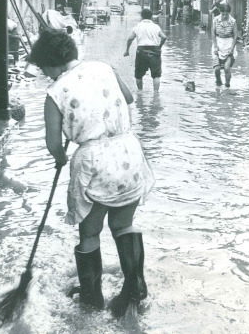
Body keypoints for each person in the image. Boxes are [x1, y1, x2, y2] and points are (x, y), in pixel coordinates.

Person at [27, 28, 155, 318]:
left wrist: (61, 157)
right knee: (123, 224)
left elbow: (52, 144)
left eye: (43, 68)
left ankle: (91, 298)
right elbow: (129, 99)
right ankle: (135, 286)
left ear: (50, 62)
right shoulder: (103, 68)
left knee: (89, 231)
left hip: (94, 162)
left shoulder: (55, 92)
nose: (45, 74)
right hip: (128, 152)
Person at [124, 8, 167, 92]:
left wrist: (127, 50)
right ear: (151, 17)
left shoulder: (138, 26)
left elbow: (130, 39)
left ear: (141, 16)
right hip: (155, 50)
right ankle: (156, 94)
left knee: (139, 75)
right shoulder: (155, 26)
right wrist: (159, 47)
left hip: (141, 51)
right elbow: (164, 37)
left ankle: (140, 93)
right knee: (156, 75)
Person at [211, 2, 238, 87]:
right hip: (218, 43)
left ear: (229, 13)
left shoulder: (233, 21)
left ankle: (227, 85)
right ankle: (218, 82)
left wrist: (232, 48)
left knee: (227, 68)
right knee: (217, 69)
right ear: (220, 12)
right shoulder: (216, 20)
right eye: (223, 14)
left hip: (229, 44)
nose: (225, 16)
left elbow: (236, 35)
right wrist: (215, 46)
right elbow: (213, 33)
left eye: (226, 14)